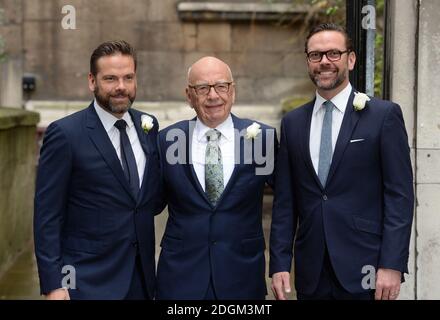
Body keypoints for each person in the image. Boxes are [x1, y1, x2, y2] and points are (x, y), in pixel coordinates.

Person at [270, 23, 414, 300]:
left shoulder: (383, 116)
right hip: (311, 271)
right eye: (316, 55)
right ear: (308, 62)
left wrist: (392, 264)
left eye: (333, 53)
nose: (324, 62)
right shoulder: (292, 123)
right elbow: (285, 202)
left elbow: (399, 195)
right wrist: (279, 263)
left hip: (367, 269)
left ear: (350, 59)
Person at [34, 40, 162, 300]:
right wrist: (54, 285)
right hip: (86, 282)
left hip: (142, 279)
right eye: (111, 78)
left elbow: (146, 199)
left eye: (128, 77)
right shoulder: (65, 134)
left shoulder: (149, 126)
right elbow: (48, 215)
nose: (121, 87)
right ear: (92, 81)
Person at [155, 56, 277, 300]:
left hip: (242, 274)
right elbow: (150, 202)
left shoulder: (262, 139)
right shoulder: (167, 139)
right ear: (189, 96)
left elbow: (287, 203)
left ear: (233, 91)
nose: (213, 96)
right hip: (181, 277)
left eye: (221, 86)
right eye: (202, 88)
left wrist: (281, 262)